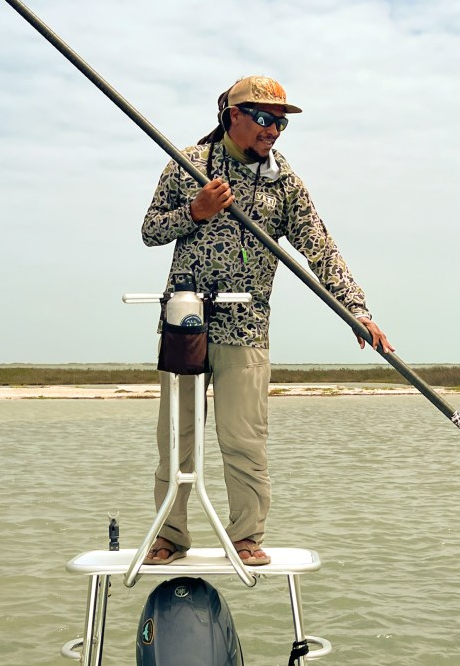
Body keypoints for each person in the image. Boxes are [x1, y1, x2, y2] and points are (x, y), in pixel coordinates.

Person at [140, 76, 392, 565]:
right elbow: (150, 230)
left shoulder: (286, 181)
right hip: (185, 321)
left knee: (244, 437)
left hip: (247, 324)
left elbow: (320, 248)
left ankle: (245, 537)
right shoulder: (187, 164)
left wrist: (356, 310)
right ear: (233, 115)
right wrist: (196, 210)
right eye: (264, 119)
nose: (273, 130)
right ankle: (169, 535)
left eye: (280, 123)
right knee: (177, 439)